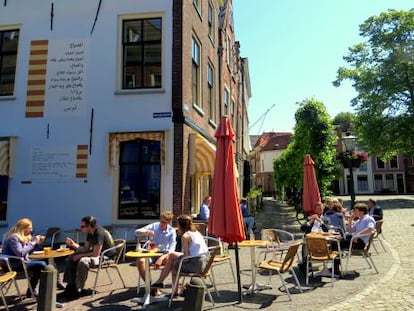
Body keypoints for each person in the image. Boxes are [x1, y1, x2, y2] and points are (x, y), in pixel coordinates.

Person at [151, 214, 209, 296]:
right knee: (171, 255)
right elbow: (192, 253)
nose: (176, 226)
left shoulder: (185, 236)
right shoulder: (196, 233)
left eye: (177, 224)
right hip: (205, 263)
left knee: (174, 266)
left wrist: (177, 260)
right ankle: (161, 282)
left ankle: (168, 287)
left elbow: (186, 259)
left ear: (180, 225)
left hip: (196, 265)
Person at [61, 216, 115, 299]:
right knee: (72, 256)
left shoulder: (98, 233)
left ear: (89, 226)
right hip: (98, 255)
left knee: (83, 261)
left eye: (82, 226)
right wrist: (73, 244)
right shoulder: (90, 233)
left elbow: (95, 254)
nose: (81, 228)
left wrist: (80, 256)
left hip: (107, 257)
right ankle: (71, 285)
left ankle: (79, 289)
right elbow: (85, 249)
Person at [0, 218, 46, 297]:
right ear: (23, 228)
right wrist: (33, 242)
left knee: (44, 263)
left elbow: (28, 252)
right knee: (41, 265)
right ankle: (34, 290)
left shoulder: (23, 237)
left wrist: (38, 243)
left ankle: (32, 290)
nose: (31, 230)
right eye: (30, 228)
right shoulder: (13, 238)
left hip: (20, 262)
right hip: (12, 265)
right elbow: (20, 253)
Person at [134, 211, 176, 283]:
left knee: (172, 261)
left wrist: (161, 258)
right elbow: (136, 232)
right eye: (161, 221)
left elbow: (172, 248)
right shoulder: (154, 226)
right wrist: (146, 232)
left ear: (168, 222)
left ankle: (158, 283)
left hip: (164, 254)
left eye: (164, 222)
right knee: (140, 261)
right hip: (152, 253)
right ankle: (149, 285)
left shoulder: (172, 231)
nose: (161, 224)